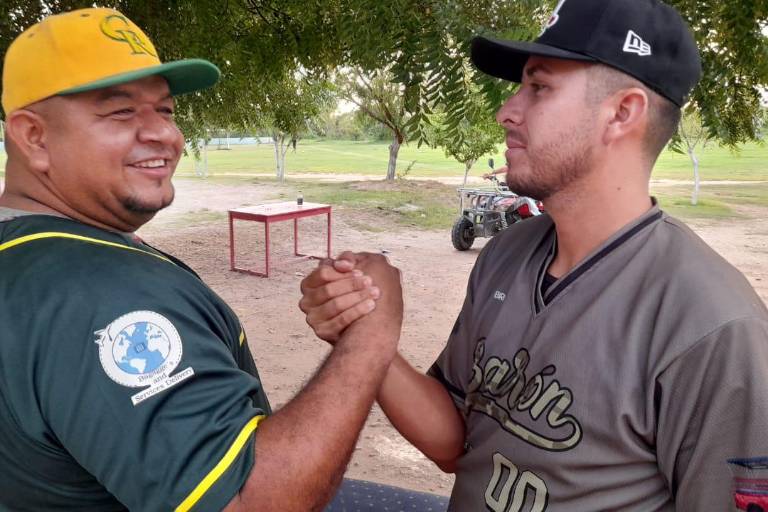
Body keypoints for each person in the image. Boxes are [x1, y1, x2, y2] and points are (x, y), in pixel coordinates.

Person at [299, 0, 768, 510]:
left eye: (539, 88)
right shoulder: (507, 252)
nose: (506, 111)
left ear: (622, 113)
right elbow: (455, 442)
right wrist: (366, 330)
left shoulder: (712, 324)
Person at [0, 8, 405, 511]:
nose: (165, 135)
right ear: (34, 137)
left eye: (165, 110)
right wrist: (373, 331)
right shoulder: (104, 293)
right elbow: (250, 503)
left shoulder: (25, 253)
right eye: (121, 112)